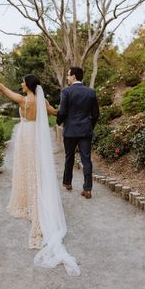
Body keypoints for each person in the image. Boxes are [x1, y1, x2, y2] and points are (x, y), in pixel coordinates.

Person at [0, 69, 80, 276]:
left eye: (23, 82)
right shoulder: (42, 102)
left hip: (25, 136)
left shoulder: (22, 100)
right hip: (37, 137)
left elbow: (3, 89)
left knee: (25, 168)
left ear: (28, 85)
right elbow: (55, 113)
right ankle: (37, 199)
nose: (21, 84)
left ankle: (27, 202)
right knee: (37, 169)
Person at [57, 67, 99, 199]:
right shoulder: (91, 92)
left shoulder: (66, 91)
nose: (67, 78)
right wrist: (89, 126)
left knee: (69, 157)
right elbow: (96, 114)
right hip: (85, 131)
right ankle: (87, 189)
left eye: (68, 76)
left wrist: (58, 121)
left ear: (74, 76)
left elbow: (63, 112)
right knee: (86, 159)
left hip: (70, 131)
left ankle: (67, 182)